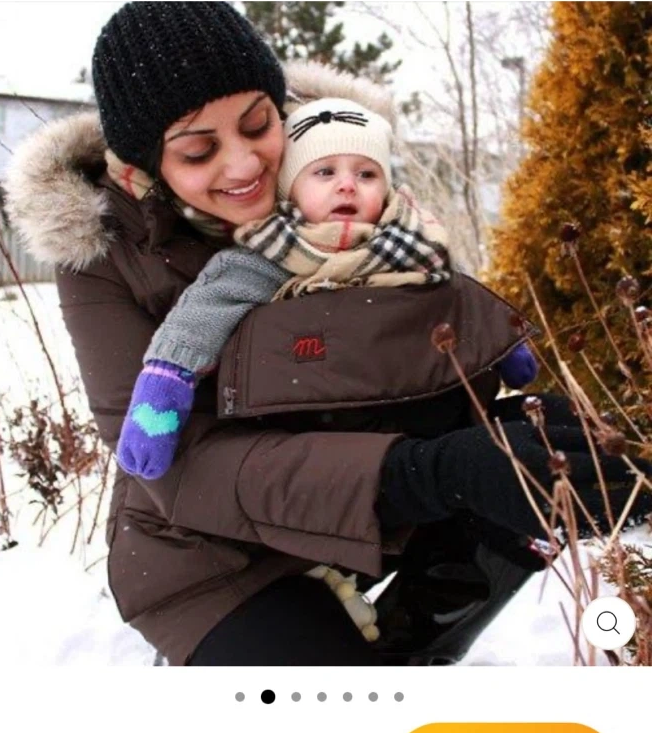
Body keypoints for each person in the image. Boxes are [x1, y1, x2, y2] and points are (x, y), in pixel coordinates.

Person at [4, 2, 652, 667]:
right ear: (146, 163)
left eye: (258, 125)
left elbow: (419, 307)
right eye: (199, 151)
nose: (243, 166)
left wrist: (494, 413)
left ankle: (414, 639)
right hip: (214, 556)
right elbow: (181, 468)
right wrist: (427, 473)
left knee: (541, 448)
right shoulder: (103, 254)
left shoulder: (334, 165)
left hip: (371, 502)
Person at [114, 96, 539, 641]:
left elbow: (459, 295)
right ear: (291, 188)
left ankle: (424, 619)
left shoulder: (412, 243)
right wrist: (165, 384)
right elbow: (204, 313)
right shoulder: (269, 254)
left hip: (407, 421)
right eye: (325, 172)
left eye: (366, 173)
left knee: (505, 467)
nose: (347, 186)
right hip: (315, 434)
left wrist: (504, 342)